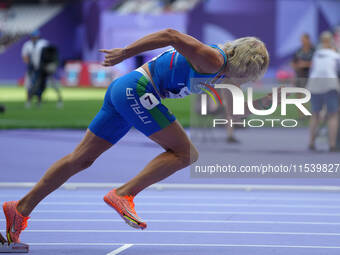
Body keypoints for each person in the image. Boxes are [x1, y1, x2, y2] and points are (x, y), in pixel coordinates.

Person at [3, 29, 271, 243]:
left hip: (126, 90)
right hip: (138, 89)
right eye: (249, 75)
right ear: (242, 63)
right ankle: (124, 194)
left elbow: (230, 111)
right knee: (185, 153)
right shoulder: (213, 59)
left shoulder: (222, 73)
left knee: (80, 159)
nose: (246, 81)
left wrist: (265, 104)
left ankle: (20, 208)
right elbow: (171, 35)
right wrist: (125, 52)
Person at [307, 31, 340, 152]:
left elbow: (312, 70)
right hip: (330, 83)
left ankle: (311, 142)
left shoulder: (316, 54)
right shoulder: (336, 56)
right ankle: (332, 144)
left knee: (315, 114)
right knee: (333, 115)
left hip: (314, 83)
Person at [22, 30, 49, 108]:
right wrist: (29, 64)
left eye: (35, 36)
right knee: (29, 84)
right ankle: (28, 100)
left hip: (41, 68)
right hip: (31, 68)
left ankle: (39, 100)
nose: (34, 38)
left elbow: (47, 55)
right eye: (33, 36)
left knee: (40, 85)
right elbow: (25, 56)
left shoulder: (43, 43)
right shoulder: (27, 45)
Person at [291, 34, 315, 118]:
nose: (302, 41)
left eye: (304, 39)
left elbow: (317, 63)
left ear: (308, 40)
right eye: (301, 40)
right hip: (300, 75)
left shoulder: (314, 50)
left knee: (311, 95)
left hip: (311, 75)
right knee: (299, 95)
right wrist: (296, 67)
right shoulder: (298, 51)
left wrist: (305, 64)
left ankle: (311, 112)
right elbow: (293, 62)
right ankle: (302, 114)